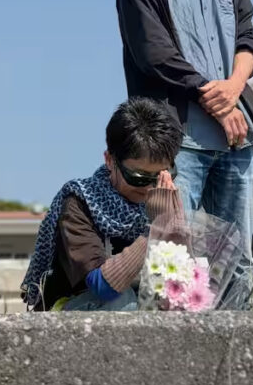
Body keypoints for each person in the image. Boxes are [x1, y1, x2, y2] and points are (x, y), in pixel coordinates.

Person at [115, 0, 253, 258]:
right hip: (178, 144)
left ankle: (238, 321)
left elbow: (247, 41)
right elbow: (154, 53)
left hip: (237, 140)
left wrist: (232, 89)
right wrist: (216, 100)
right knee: (174, 255)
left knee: (235, 260)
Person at [21, 98, 185, 311]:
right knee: (123, 301)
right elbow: (102, 287)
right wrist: (157, 229)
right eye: (138, 176)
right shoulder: (81, 201)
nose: (149, 187)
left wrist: (176, 224)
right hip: (73, 308)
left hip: (137, 307)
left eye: (160, 176)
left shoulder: (164, 197)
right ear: (110, 160)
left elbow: (183, 278)